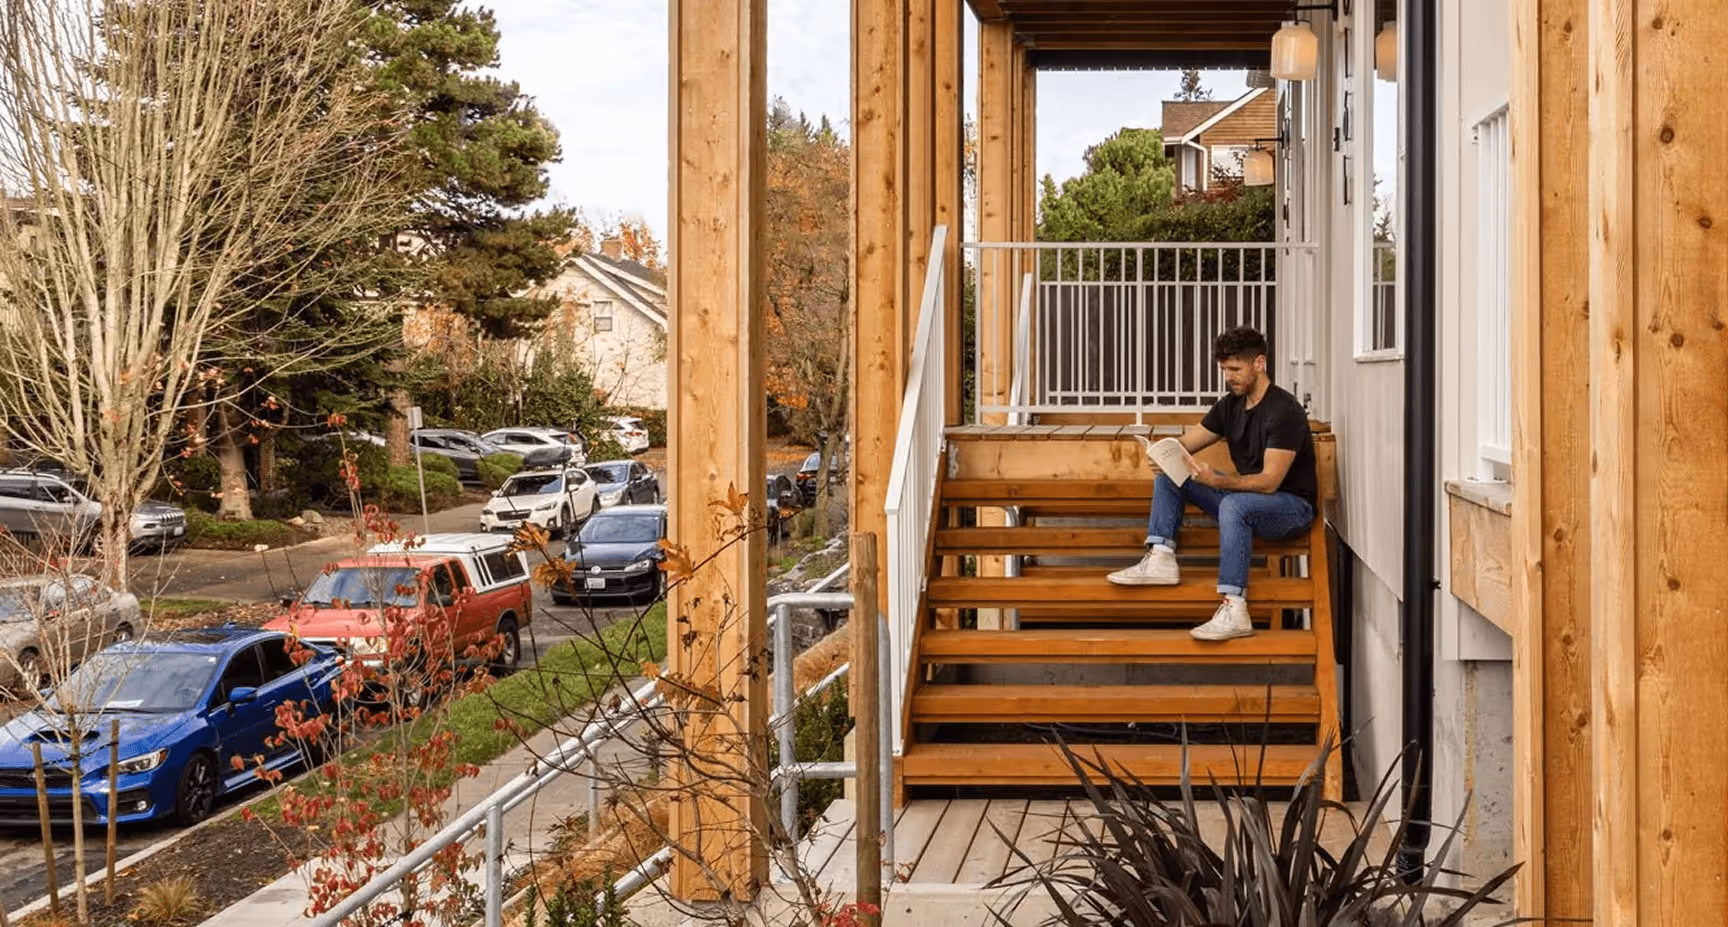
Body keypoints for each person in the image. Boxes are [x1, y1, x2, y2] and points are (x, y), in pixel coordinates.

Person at [1107, 326, 1317, 641]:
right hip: (1244, 505)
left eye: (1235, 369)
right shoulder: (1230, 405)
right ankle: (1161, 558)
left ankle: (1235, 608)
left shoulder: (1284, 410)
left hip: (1290, 509)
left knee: (1233, 503)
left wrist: (1218, 480)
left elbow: (1270, 482)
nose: (1228, 377)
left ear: (1259, 364)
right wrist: (1163, 453)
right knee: (1171, 471)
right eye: (1223, 370)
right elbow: (1188, 442)